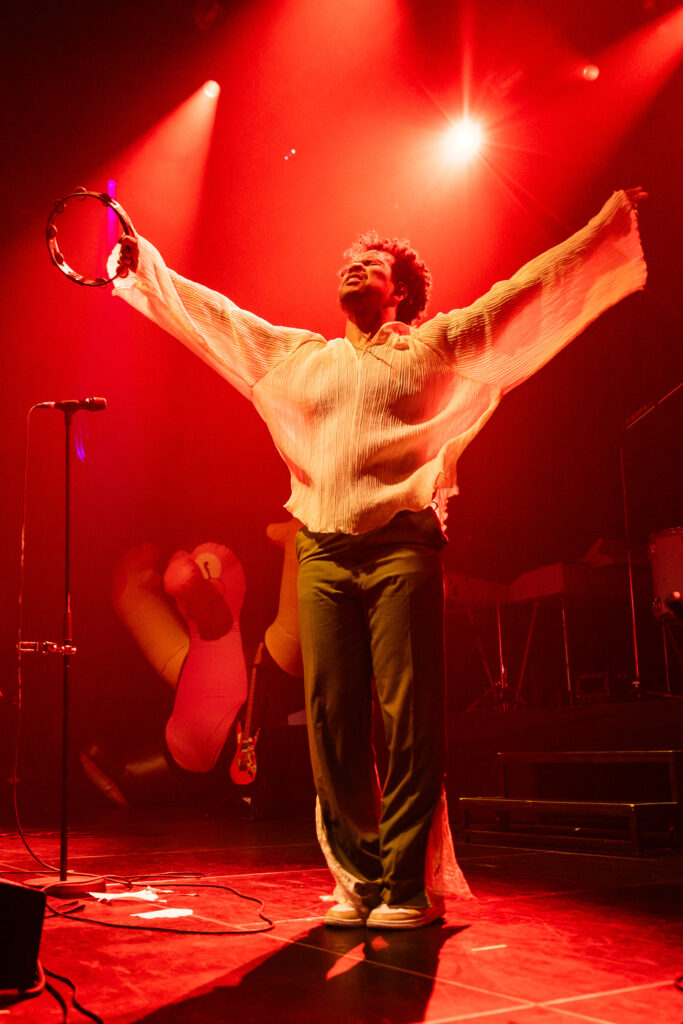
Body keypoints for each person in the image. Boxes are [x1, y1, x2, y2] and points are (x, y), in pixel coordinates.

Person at [110, 187, 647, 929]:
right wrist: (149, 269)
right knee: (331, 720)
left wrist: (602, 229)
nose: (353, 268)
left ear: (401, 292)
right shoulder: (298, 356)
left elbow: (523, 292)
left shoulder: (436, 347)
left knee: (406, 717)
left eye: (370, 263)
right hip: (324, 553)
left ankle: (404, 887)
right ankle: (355, 882)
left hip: (400, 548)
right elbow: (220, 321)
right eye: (348, 262)